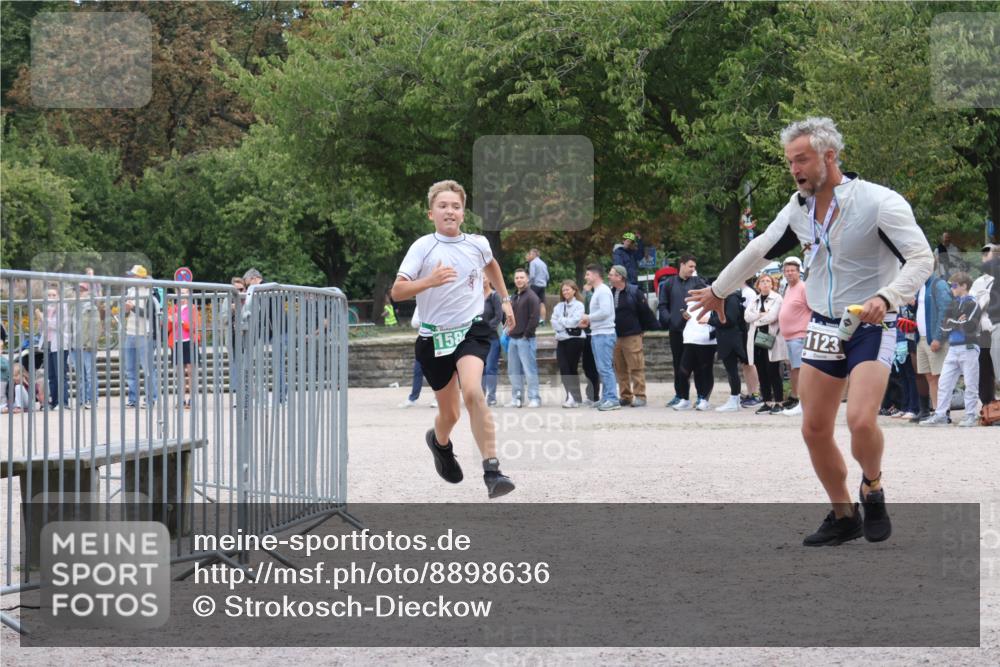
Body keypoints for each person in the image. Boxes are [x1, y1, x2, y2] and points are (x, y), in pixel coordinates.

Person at [687, 117, 933, 546]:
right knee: (814, 429)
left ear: (829, 156)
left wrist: (888, 297)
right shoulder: (797, 208)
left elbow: (921, 259)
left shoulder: (878, 202)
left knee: (859, 420)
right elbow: (759, 247)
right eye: (789, 162)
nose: (795, 169)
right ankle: (843, 514)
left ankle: (872, 486)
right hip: (822, 324)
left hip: (871, 323)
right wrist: (719, 289)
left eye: (802, 159)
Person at [390, 179, 516, 499]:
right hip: (433, 338)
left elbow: (491, 265)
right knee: (451, 414)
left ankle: (492, 470)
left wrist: (504, 299)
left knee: (473, 391)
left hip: (470, 330)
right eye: (443, 206)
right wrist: (428, 281)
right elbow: (397, 291)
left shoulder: (477, 244)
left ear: (463, 213)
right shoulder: (423, 247)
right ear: (431, 213)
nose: (449, 211)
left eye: (455, 206)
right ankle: (440, 442)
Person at [920, 272, 981, 427]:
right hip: (953, 348)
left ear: (964, 286)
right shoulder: (954, 304)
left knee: (970, 383)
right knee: (944, 382)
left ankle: (970, 415)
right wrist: (956, 321)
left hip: (968, 347)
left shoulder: (972, 303)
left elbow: (968, 326)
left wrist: (953, 322)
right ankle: (940, 414)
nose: (951, 288)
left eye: (954, 285)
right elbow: (944, 325)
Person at [658, 254, 706, 409]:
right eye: (691, 266)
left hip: (695, 332)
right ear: (682, 265)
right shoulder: (668, 283)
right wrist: (670, 319)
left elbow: (707, 301)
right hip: (677, 331)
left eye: (694, 267)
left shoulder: (698, 282)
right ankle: (680, 395)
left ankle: (701, 396)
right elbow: (662, 305)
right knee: (678, 365)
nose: (693, 269)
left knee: (698, 365)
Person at [609, 265, 657, 407]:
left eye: (611, 274)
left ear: (620, 277)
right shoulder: (609, 292)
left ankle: (640, 396)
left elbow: (645, 312)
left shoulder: (634, 291)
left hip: (632, 335)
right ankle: (625, 396)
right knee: (620, 368)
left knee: (636, 366)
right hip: (615, 336)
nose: (609, 277)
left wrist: (643, 329)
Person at [913, 265, 952, 422]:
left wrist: (939, 337)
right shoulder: (920, 286)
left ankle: (944, 413)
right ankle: (937, 412)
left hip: (934, 339)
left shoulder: (939, 284)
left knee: (940, 376)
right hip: (921, 339)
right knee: (930, 377)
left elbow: (947, 310)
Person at [745, 274, 788, 414]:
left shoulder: (777, 298)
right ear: (758, 285)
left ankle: (779, 402)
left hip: (771, 338)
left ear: (772, 284)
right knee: (761, 371)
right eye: (762, 281)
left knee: (773, 371)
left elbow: (772, 316)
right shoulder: (755, 299)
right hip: (756, 339)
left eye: (768, 281)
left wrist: (756, 320)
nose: (765, 283)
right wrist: (760, 315)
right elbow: (746, 316)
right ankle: (767, 402)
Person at [580, 263, 619, 410]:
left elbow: (605, 312)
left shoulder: (602, 291)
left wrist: (588, 317)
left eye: (588, 274)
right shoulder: (598, 291)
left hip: (604, 334)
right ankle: (606, 397)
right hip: (597, 333)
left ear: (596, 275)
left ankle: (613, 399)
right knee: (601, 368)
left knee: (605, 368)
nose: (586, 277)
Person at [123, 265, 161, 408]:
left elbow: (149, 314)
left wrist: (132, 308)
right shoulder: (130, 291)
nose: (130, 278)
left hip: (144, 335)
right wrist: (125, 310)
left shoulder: (150, 294)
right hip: (130, 333)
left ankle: (151, 398)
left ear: (140, 278)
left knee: (148, 369)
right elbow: (127, 313)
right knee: (130, 369)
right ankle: (133, 399)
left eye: (133, 275)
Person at [778, 257, 810, 415]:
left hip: (800, 334)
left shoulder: (804, 288)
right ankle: (796, 398)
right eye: (787, 271)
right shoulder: (787, 288)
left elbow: (812, 308)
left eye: (792, 271)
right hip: (789, 336)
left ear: (799, 272)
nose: (789, 273)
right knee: (793, 369)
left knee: (799, 368)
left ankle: (803, 401)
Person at [506, 268, 541, 408]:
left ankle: (535, 398)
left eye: (521, 277)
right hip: (513, 339)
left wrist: (526, 335)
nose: (519, 280)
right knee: (513, 371)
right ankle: (516, 398)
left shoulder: (532, 297)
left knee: (529, 370)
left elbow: (534, 318)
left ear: (527, 279)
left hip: (526, 339)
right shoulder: (515, 297)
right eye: (517, 278)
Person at [709, 287, 748, 412]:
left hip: (731, 340)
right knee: (731, 371)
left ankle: (734, 399)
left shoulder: (731, 298)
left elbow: (729, 320)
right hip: (727, 339)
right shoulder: (727, 298)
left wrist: (709, 321)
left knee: (732, 371)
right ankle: (735, 399)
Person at [550, 279, 587, 408]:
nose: (565, 292)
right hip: (562, 339)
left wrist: (562, 322)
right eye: (563, 289)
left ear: (574, 290)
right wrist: (565, 323)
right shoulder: (559, 306)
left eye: (568, 289)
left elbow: (575, 322)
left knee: (571, 368)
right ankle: (572, 396)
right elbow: (553, 322)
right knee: (564, 368)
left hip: (575, 340)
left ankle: (573, 398)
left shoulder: (579, 305)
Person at [677, 303, 716, 410]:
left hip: (707, 344)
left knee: (705, 372)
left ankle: (704, 400)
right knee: (683, 372)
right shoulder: (689, 305)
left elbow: (721, 322)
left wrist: (711, 334)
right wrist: (684, 319)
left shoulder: (714, 304)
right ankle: (685, 399)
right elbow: (680, 325)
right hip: (689, 341)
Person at [167, 285, 201, 409]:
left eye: (185, 293)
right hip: (176, 342)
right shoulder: (172, 309)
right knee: (179, 373)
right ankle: (181, 399)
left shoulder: (192, 309)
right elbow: (168, 329)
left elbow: (193, 327)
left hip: (189, 342)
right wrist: (169, 321)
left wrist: (180, 321)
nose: (183, 296)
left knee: (191, 372)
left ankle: (192, 399)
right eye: (180, 293)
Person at [971, 244, 996, 404]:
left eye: (990, 254)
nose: (986, 257)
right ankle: (987, 404)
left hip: (996, 328)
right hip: (984, 331)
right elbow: (971, 305)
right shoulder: (979, 282)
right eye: (984, 255)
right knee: (985, 369)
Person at [42, 285, 72, 409]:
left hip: (59, 345)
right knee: (52, 376)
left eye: (54, 295)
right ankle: (54, 402)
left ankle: (63, 402)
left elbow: (58, 325)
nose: (51, 297)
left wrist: (42, 319)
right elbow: (42, 328)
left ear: (58, 296)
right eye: (49, 295)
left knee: (60, 375)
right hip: (48, 344)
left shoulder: (63, 308)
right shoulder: (47, 308)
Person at [73, 282, 101, 409]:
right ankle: (82, 399)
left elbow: (96, 328)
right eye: (77, 290)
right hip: (75, 345)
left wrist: (90, 344)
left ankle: (92, 399)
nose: (79, 292)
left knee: (90, 374)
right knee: (80, 375)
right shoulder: (73, 307)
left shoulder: (92, 308)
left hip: (86, 346)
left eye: (82, 290)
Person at [481, 279, 503, 407]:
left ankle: (492, 397)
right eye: (480, 278)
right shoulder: (476, 297)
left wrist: (486, 328)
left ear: (489, 279)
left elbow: (498, 316)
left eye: (484, 278)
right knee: (480, 369)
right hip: (479, 339)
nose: (482, 280)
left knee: (490, 368)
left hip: (492, 338)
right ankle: (480, 396)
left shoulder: (494, 296)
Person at [526, 248, 549, 325]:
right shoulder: (543, 263)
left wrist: (527, 283)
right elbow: (547, 276)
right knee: (542, 303)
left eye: (530, 254)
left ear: (534, 254)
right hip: (543, 285)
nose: (529, 255)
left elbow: (532, 276)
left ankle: (532, 320)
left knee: (532, 302)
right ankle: (542, 321)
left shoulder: (533, 262)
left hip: (535, 285)